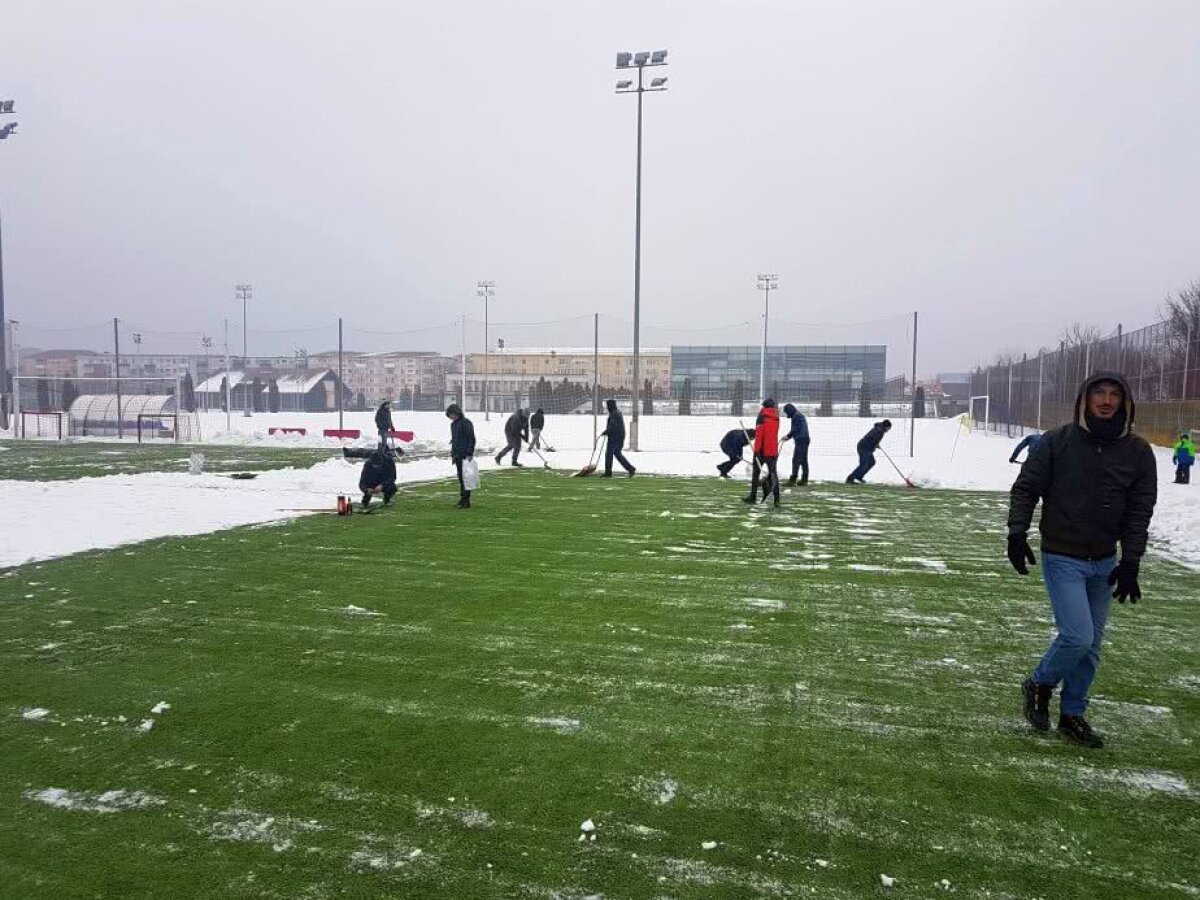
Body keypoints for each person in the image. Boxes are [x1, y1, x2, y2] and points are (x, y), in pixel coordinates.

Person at [1008, 373, 1157, 749]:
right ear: (1084, 399)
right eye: (1099, 394)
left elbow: (1140, 511)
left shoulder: (1138, 453)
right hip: (1063, 555)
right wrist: (1016, 532)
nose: (1106, 401)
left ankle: (1073, 714)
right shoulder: (1057, 443)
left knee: (1091, 647)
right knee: (1078, 635)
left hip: (1105, 560)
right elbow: (1026, 488)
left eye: (1114, 395)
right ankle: (1040, 682)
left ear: (1125, 403)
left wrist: (1131, 562)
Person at [744, 399, 781, 507]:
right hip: (773, 450)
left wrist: (756, 451)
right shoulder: (777, 417)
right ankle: (777, 500)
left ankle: (753, 496)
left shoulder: (761, 416)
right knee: (773, 475)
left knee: (755, 474)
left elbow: (759, 436)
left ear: (764, 406)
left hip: (762, 451)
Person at [446, 403, 476, 509]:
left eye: (451, 414)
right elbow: (455, 440)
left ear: (456, 412)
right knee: (461, 478)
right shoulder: (453, 425)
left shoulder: (466, 423)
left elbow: (471, 438)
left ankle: (466, 501)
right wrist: (453, 454)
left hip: (465, 454)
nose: (450, 417)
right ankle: (463, 498)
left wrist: (469, 453)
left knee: (466, 478)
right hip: (458, 454)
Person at [846, 420, 891, 484]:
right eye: (889, 428)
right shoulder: (879, 430)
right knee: (863, 464)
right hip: (864, 447)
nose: (889, 430)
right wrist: (875, 444)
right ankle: (850, 478)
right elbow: (872, 438)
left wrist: (876, 444)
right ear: (886, 426)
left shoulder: (880, 429)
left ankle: (859, 476)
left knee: (871, 462)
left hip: (867, 448)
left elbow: (872, 438)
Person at [600, 398, 636, 477]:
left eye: (608, 406)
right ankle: (631, 468)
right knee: (617, 453)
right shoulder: (618, 412)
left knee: (609, 454)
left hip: (614, 437)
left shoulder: (614, 414)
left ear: (610, 406)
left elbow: (612, 425)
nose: (607, 407)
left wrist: (607, 432)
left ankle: (608, 473)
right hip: (620, 436)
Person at [358, 446, 397, 511]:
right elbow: (362, 481)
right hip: (372, 482)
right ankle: (365, 502)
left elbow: (393, 477)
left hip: (384, 481)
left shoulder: (389, 461)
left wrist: (382, 485)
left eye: (378, 466)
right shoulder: (367, 464)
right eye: (375, 466)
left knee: (392, 487)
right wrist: (366, 490)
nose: (376, 468)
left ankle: (387, 500)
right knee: (367, 488)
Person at [780, 403, 810, 486]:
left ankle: (792, 480)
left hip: (801, 440)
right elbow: (796, 429)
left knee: (796, 460)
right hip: (805, 439)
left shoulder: (796, 416)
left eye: (786, 412)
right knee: (803, 460)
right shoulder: (798, 415)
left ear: (789, 411)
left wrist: (788, 436)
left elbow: (795, 429)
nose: (786, 414)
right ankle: (804, 479)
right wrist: (788, 436)